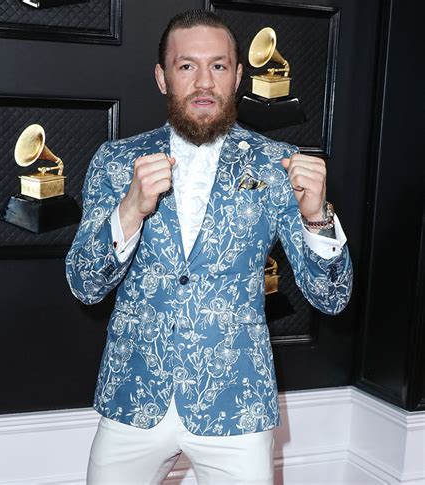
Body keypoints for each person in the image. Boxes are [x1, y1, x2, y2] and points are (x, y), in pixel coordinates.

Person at [65, 9, 353, 485]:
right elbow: (84, 285)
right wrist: (130, 209)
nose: (204, 82)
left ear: (238, 76)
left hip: (235, 400)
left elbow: (332, 297)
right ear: (162, 77)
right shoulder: (116, 161)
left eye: (218, 66)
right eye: (186, 66)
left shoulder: (279, 164)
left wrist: (316, 217)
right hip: (134, 394)